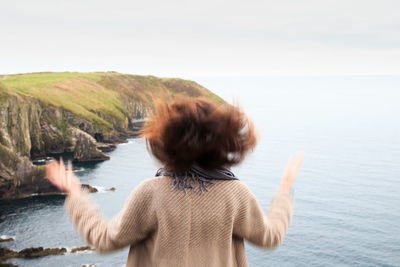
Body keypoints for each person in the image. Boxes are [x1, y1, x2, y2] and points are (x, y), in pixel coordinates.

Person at [46, 98, 303, 267]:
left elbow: (104, 239)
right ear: (222, 144)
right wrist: (284, 192)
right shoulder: (236, 194)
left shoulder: (151, 192)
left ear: (167, 142)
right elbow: (270, 237)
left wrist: (75, 192)